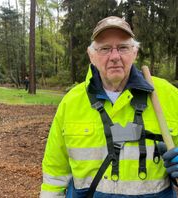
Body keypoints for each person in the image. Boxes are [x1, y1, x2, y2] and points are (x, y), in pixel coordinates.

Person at [40, 16, 178, 198]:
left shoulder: (167, 95)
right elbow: (54, 173)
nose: (114, 56)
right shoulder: (71, 102)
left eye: (123, 47)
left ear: (134, 52)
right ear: (92, 55)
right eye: (105, 49)